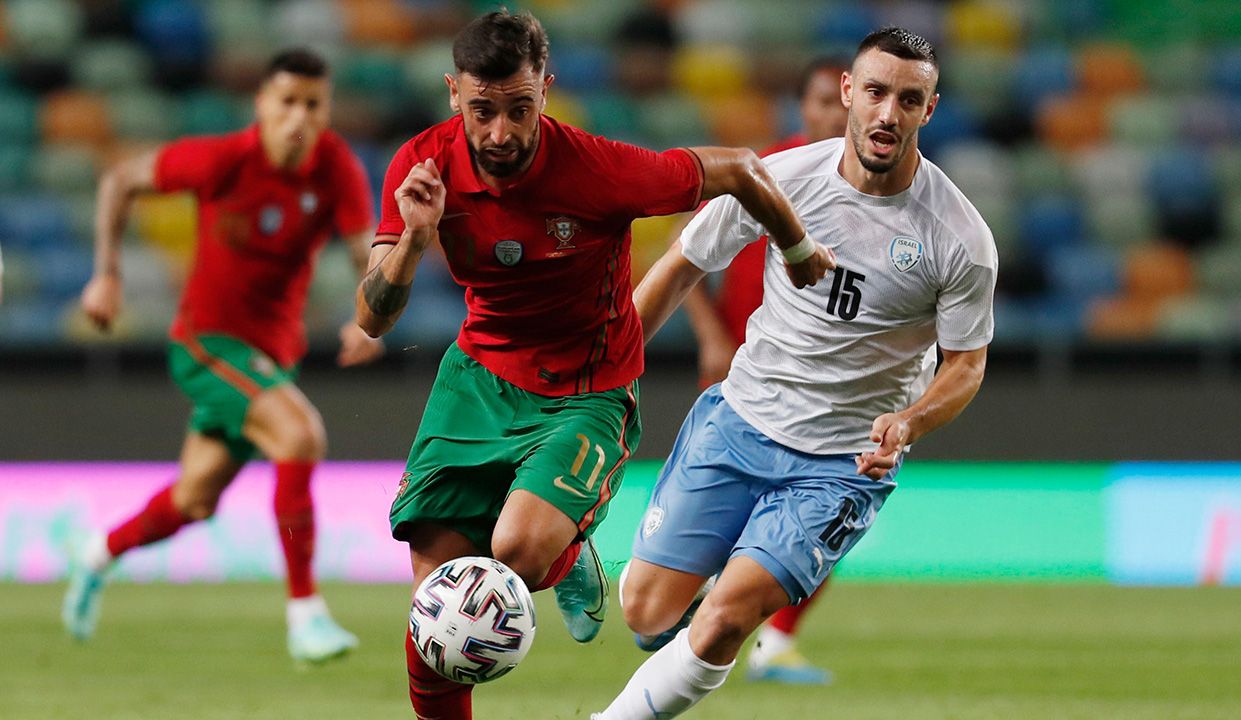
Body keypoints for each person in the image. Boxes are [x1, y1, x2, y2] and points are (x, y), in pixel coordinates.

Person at [352, 11, 832, 720]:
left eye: (520, 109)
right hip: (480, 378)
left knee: (515, 549)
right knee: (440, 603)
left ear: (546, 89)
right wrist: (413, 242)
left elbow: (741, 168)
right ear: (453, 93)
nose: (501, 133)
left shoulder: (598, 168)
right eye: (483, 111)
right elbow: (371, 316)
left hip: (587, 391)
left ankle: (564, 556)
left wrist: (796, 251)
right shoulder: (421, 165)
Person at [593, 27, 996, 719]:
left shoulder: (958, 236)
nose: (887, 114)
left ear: (929, 109)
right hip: (740, 421)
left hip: (840, 462)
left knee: (724, 619)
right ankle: (717, 576)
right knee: (644, 611)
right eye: (874, 92)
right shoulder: (779, 179)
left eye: (908, 99)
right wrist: (602, 372)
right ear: (847, 93)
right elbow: (685, 261)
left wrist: (910, 421)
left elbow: (965, 363)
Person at [64, 48, 384, 664]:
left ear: (326, 112)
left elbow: (360, 250)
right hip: (206, 342)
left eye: (313, 104)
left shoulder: (334, 166)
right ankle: (305, 615)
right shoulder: (222, 159)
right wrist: (106, 276)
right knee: (301, 436)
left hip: (270, 355)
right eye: (287, 100)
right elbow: (119, 180)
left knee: (194, 500)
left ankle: (96, 553)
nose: (299, 116)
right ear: (261, 104)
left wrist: (370, 319)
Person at [680, 55, 848, 685]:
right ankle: (696, 614)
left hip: (822, 387)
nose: (834, 113)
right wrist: (710, 334)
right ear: (802, 108)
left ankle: (773, 643)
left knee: (825, 511)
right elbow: (685, 252)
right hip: (743, 372)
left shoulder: (885, 187)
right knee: (721, 505)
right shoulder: (765, 170)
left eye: (843, 100)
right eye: (822, 101)